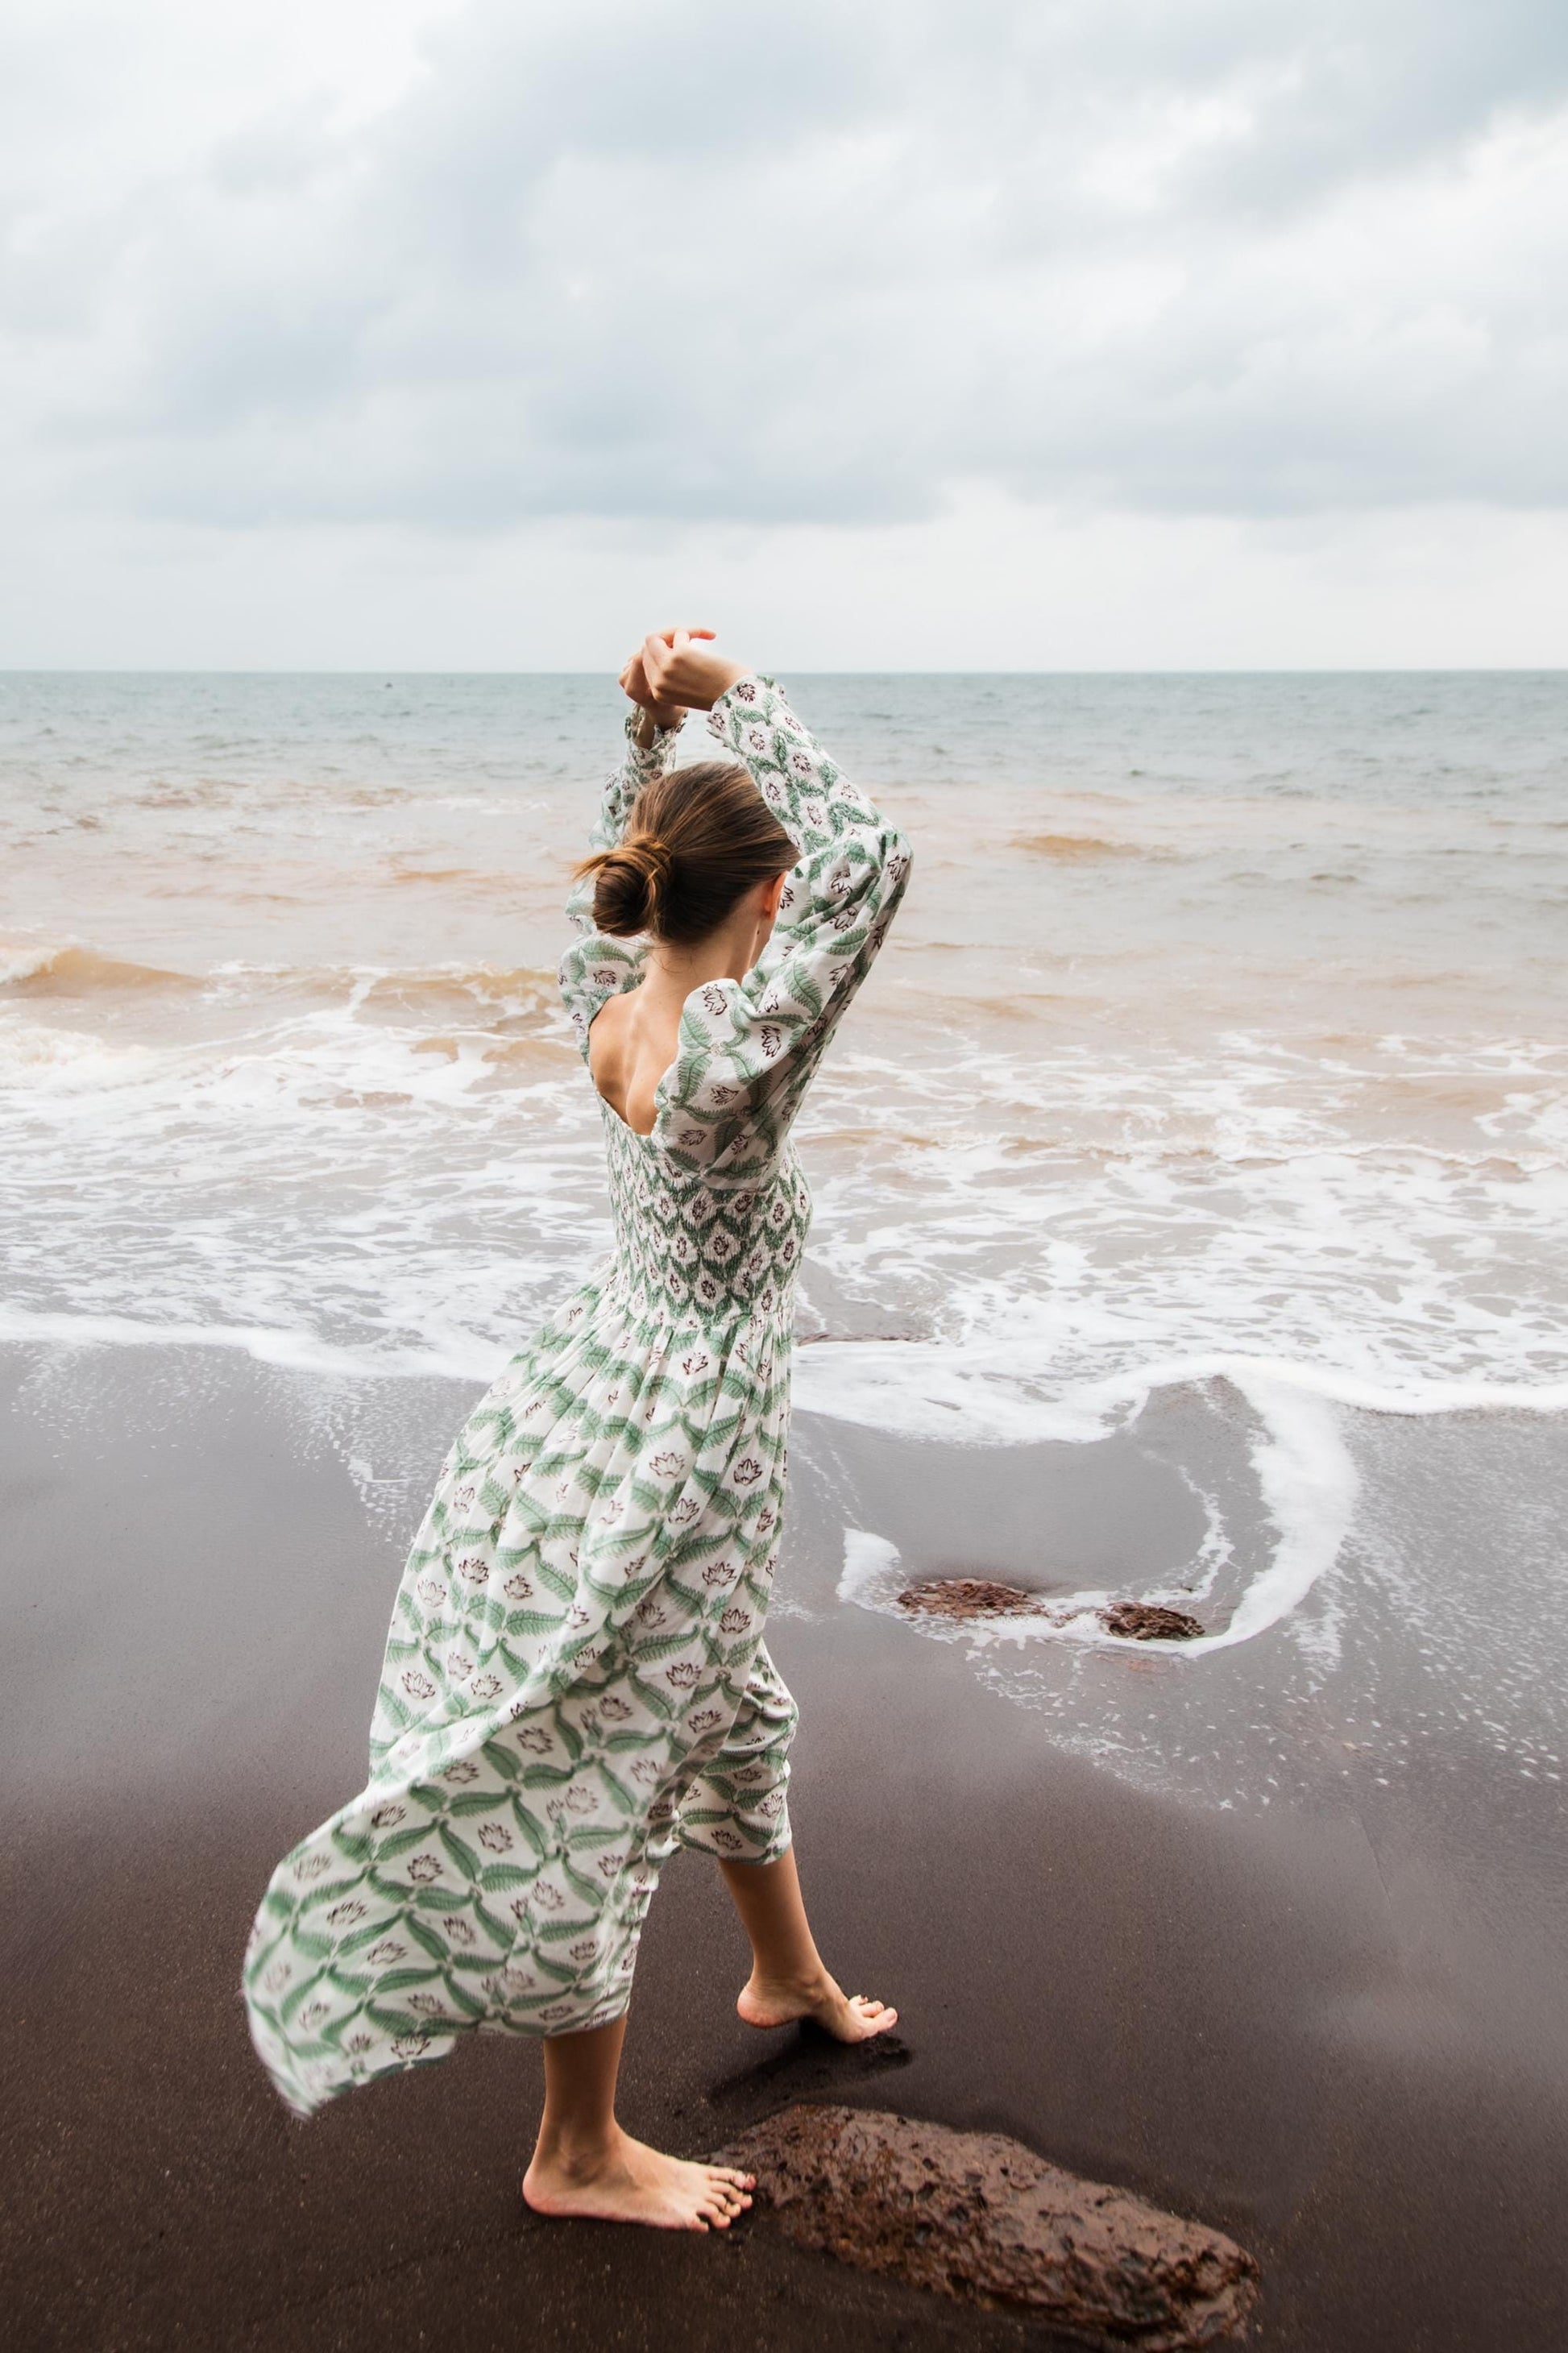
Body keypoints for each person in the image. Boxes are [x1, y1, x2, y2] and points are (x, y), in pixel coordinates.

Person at [244, 627, 913, 2231]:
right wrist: (727, 690)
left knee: (721, 1695)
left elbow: (629, 882)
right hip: (678, 1450)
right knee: (609, 1761)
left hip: (583, 1397)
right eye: (781, 890)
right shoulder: (732, 1062)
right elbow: (873, 861)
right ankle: (578, 2146)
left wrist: (643, 733)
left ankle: (783, 1969)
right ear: (765, 902)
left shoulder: (614, 1002)